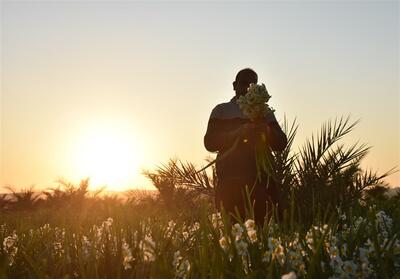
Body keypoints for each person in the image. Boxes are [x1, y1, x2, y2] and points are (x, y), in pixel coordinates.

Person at [203, 68, 288, 226]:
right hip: (230, 185)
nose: (247, 88)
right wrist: (237, 133)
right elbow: (210, 142)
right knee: (232, 237)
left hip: (261, 185)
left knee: (264, 235)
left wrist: (267, 131)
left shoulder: (265, 112)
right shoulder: (221, 111)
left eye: (252, 84)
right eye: (243, 83)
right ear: (234, 85)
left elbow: (281, 143)